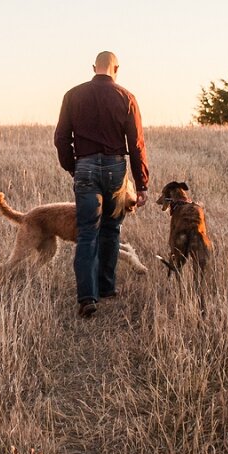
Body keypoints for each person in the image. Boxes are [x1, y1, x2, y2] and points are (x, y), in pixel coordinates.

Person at [54, 51, 150, 319]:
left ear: (94, 67)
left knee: (87, 234)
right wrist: (141, 184)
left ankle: (87, 297)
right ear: (116, 68)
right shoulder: (127, 97)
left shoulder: (72, 95)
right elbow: (137, 144)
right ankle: (106, 288)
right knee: (111, 228)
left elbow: (61, 138)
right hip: (115, 169)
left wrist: (74, 167)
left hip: (84, 166)